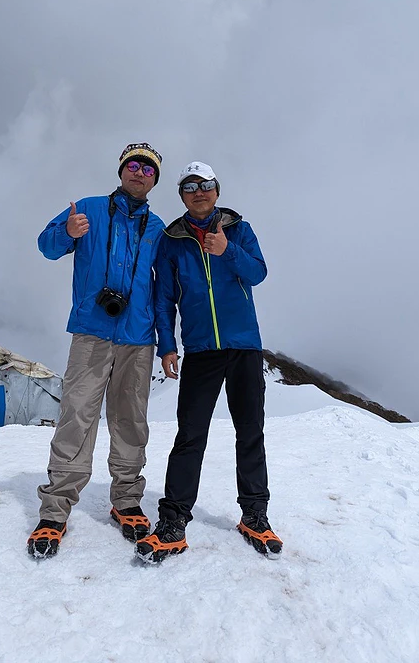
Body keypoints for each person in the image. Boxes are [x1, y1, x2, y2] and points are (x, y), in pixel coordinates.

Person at [136, 161, 282, 563]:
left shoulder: (239, 229)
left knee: (250, 430)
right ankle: (173, 520)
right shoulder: (172, 240)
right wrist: (167, 346)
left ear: (217, 190)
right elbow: (164, 299)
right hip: (200, 350)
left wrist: (227, 250)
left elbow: (258, 273)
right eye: (190, 187)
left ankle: (255, 514)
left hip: (244, 347)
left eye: (206, 185)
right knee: (190, 435)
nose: (199, 192)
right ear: (181, 195)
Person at [28, 143, 164, 558]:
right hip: (91, 332)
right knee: (77, 414)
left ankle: (127, 501)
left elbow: (163, 290)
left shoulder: (158, 227)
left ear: (154, 180)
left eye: (148, 169)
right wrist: (66, 233)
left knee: (130, 420)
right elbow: (47, 246)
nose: (139, 172)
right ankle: (55, 509)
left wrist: (167, 340)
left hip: (138, 338)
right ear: (122, 170)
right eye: (133, 165)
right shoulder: (86, 209)